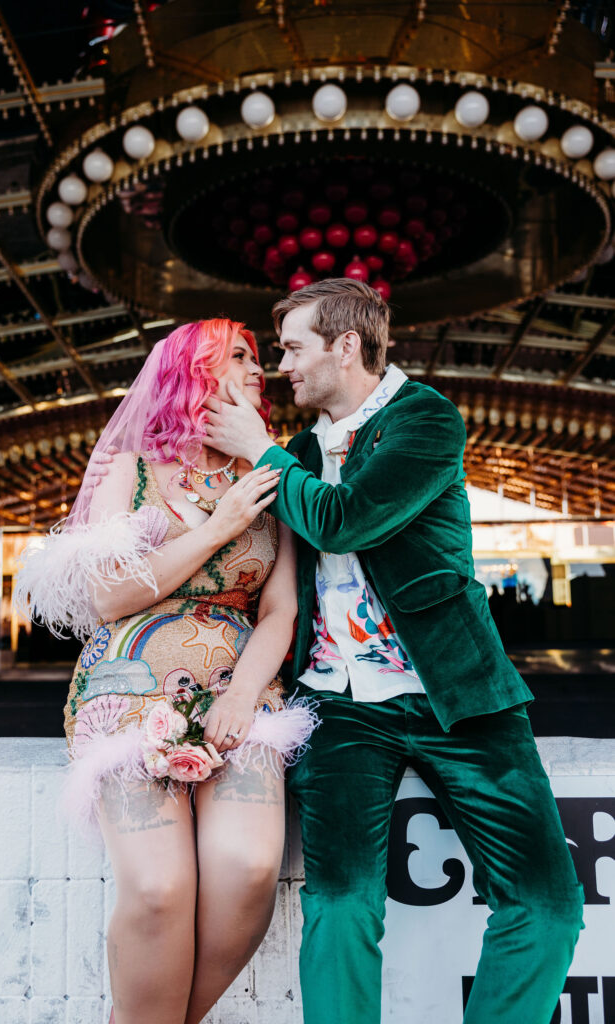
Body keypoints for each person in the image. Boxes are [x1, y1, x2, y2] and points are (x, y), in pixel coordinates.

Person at [203, 279, 584, 1024]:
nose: (282, 364)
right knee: (341, 904)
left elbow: (345, 522)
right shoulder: (304, 448)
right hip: (337, 707)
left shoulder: (425, 420)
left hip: (456, 693)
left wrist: (259, 449)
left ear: (346, 347)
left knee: (546, 905)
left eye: (293, 347)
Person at [15, 318, 317, 1024]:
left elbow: (280, 610)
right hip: (126, 692)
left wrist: (243, 697)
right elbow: (105, 597)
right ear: (193, 371)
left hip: (241, 692)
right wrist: (218, 525)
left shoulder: (276, 477)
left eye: (256, 356)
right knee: (158, 890)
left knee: (246, 872)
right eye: (237, 356)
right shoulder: (131, 468)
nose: (258, 368)